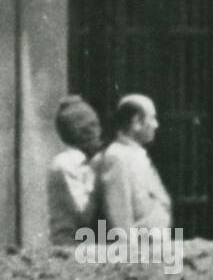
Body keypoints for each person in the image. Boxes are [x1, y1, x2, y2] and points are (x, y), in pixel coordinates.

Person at [91, 94, 172, 232]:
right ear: (136, 122)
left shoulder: (135, 154)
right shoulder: (117, 157)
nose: (156, 125)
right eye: (152, 118)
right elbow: (120, 219)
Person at [48, 96, 102, 244]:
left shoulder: (89, 162)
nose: (98, 132)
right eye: (91, 126)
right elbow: (84, 214)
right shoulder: (65, 164)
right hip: (71, 245)